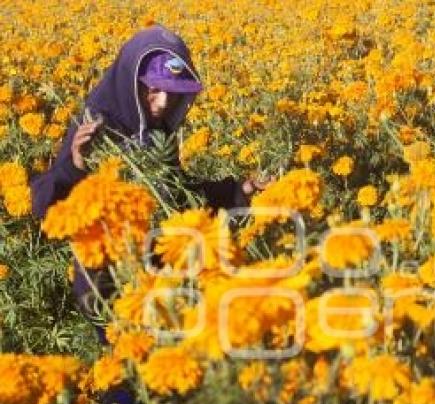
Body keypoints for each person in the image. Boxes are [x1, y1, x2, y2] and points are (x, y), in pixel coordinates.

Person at [29, 24, 265, 342]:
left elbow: (177, 196)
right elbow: (47, 206)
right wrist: (76, 164)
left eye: (173, 91)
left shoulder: (156, 131)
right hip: (111, 284)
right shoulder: (96, 127)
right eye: (153, 89)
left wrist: (239, 191)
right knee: (133, 369)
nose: (163, 102)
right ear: (130, 81)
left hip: (159, 275)